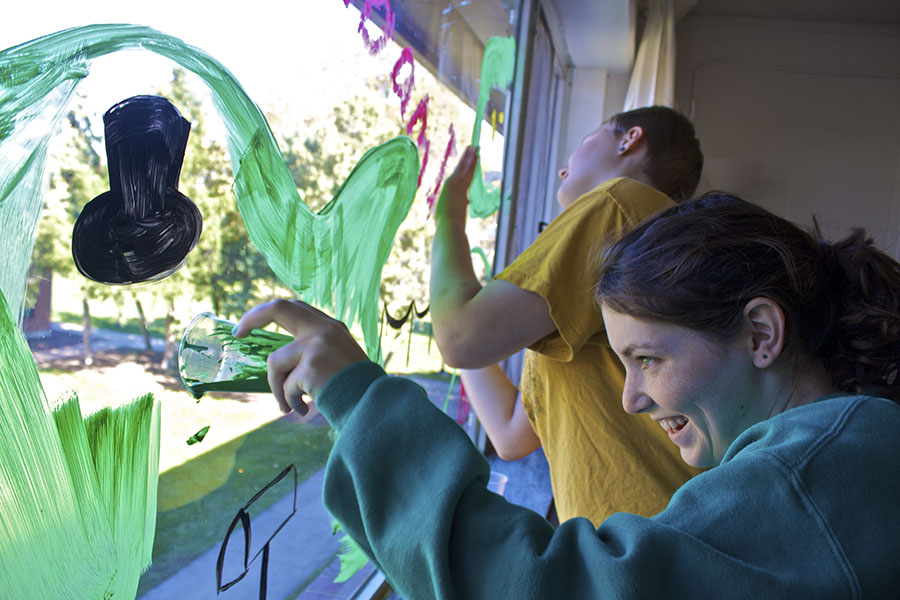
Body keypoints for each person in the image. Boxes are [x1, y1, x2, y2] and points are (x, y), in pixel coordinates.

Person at [237, 193, 900, 598]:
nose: (631, 400)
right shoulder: (849, 447)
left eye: (647, 359)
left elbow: (547, 588)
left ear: (760, 333)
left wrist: (357, 398)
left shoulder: (814, 472)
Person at [429, 106, 704, 524]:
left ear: (629, 138)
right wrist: (456, 306)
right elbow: (509, 433)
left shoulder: (619, 203)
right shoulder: (643, 237)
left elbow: (462, 337)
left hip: (647, 544)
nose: (564, 169)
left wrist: (449, 218)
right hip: (642, 546)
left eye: (585, 141)